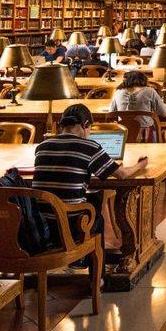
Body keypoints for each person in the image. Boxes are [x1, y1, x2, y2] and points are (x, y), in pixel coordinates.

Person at [31, 103, 118, 244]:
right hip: (72, 225)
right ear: (86, 124)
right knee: (97, 215)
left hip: (41, 224)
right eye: (90, 128)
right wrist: (141, 164)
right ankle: (91, 262)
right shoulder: (89, 147)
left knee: (92, 199)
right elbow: (122, 175)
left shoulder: (42, 146)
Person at [109, 69, 166, 134]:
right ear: (144, 80)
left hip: (123, 133)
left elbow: (111, 111)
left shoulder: (118, 92)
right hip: (145, 134)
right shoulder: (150, 91)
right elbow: (163, 113)